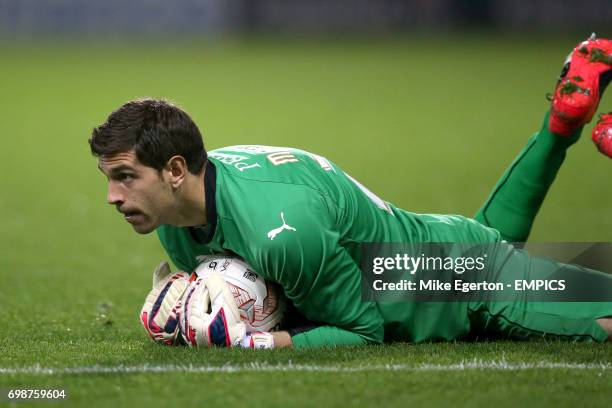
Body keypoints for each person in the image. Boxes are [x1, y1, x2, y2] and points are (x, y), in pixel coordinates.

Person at [90, 36, 612, 349]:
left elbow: (363, 330)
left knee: (602, 318)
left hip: (454, 284)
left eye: (126, 176)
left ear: (176, 169)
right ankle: (561, 125)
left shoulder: (281, 233)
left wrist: (260, 342)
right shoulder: (184, 216)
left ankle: (561, 129)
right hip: (444, 242)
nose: (113, 196)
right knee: (491, 239)